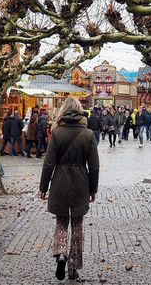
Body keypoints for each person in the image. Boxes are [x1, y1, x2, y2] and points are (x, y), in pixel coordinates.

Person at [39, 97, 99, 282]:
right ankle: (73, 268)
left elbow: (48, 164)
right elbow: (94, 166)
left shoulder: (56, 132)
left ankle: (61, 253)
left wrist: (43, 187)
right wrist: (92, 189)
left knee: (61, 223)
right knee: (78, 226)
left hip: (60, 184)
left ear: (63, 111)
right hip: (81, 184)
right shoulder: (88, 134)